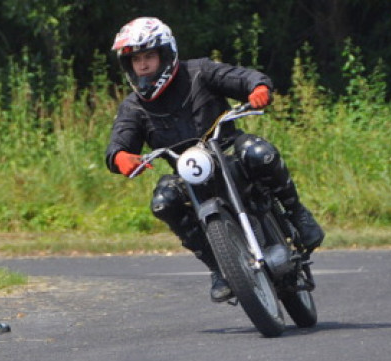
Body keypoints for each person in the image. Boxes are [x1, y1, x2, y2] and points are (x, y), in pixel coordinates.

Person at [105, 18, 324, 302]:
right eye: (136, 60)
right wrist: (121, 158)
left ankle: (298, 213)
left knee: (258, 151)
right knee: (164, 201)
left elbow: (243, 77)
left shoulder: (199, 72)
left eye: (149, 56)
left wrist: (257, 89)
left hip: (229, 151)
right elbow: (119, 143)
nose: (143, 65)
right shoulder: (133, 107)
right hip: (188, 173)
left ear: (166, 53)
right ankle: (219, 267)